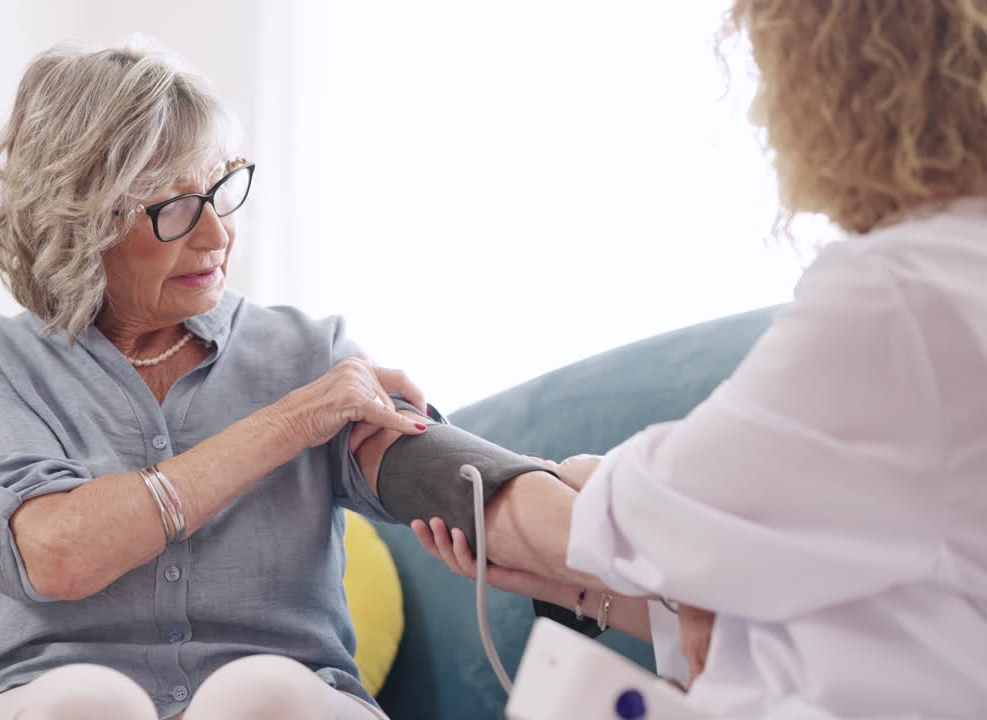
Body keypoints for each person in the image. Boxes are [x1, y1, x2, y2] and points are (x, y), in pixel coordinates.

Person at [415, 1, 987, 717]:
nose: (760, 113)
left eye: (770, 77)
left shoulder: (898, 298)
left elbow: (629, 513)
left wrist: (597, 504)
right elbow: (879, 591)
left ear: (844, 83)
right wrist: (676, 581)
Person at [0, 44, 446, 720]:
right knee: (89, 701)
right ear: (79, 223)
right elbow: (58, 556)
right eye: (174, 207)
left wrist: (589, 509)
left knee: (267, 690)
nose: (216, 234)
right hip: (44, 698)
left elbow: (452, 482)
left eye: (221, 189)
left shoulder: (312, 353)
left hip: (282, 703)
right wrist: (285, 424)